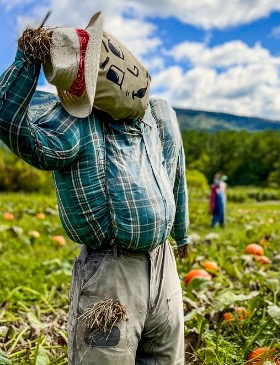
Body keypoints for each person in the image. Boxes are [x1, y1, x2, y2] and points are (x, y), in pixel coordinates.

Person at [0, 12, 188, 365]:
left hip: (165, 265)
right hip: (112, 276)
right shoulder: (74, 125)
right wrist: (28, 59)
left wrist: (181, 235)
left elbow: (175, 173)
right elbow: (9, 119)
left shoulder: (158, 115)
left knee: (167, 358)